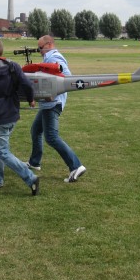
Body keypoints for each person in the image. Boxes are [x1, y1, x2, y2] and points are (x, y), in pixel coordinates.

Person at [0, 38, 41, 195]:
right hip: (12, 114)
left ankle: (30, 178)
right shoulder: (14, 66)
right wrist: (31, 99)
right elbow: (27, 84)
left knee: (2, 151)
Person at [26, 35, 86, 183]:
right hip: (48, 103)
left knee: (51, 138)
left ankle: (76, 166)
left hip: (52, 103)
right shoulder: (50, 58)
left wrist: (50, 94)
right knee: (36, 130)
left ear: (49, 44)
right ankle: (34, 162)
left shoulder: (54, 59)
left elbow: (66, 79)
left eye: (40, 48)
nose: (39, 51)